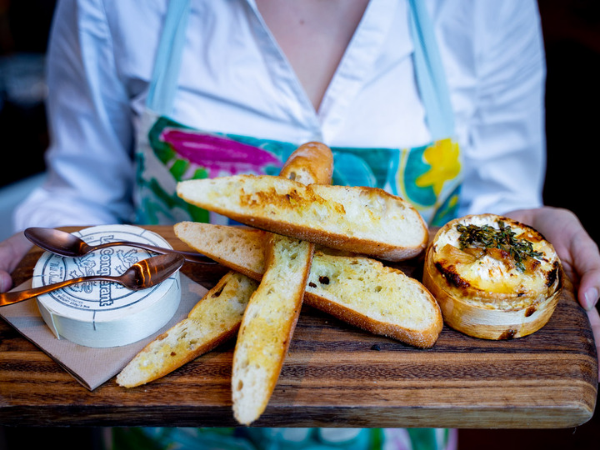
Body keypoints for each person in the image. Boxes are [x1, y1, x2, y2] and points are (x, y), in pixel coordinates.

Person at [0, 0, 599, 449]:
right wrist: (35, 248)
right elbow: (80, 189)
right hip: (161, 421)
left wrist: (533, 223)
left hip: (398, 419)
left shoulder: (490, 10)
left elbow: (497, 203)